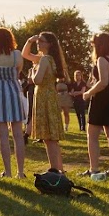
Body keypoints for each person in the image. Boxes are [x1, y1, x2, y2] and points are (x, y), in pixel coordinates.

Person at [0, 27, 27, 178]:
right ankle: (20, 172)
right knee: (18, 135)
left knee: (3, 135)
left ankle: (7, 171)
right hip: (14, 92)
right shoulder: (17, 55)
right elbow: (19, 71)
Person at [23, 33, 68, 174]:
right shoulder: (51, 59)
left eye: (41, 41)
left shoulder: (44, 60)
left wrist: (31, 75)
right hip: (50, 97)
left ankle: (55, 169)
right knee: (51, 137)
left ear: (49, 44)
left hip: (44, 97)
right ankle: (58, 168)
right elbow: (25, 54)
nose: (38, 43)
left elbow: (37, 80)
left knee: (49, 137)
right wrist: (30, 40)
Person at [82, 33, 109, 174]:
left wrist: (88, 93)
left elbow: (103, 82)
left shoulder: (102, 60)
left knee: (92, 134)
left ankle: (94, 168)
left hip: (102, 98)